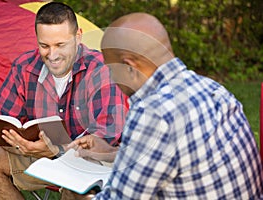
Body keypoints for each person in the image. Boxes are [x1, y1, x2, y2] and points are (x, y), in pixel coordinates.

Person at [69, 13, 263, 199]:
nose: (111, 77)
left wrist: (80, 193)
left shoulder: (153, 113)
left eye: (111, 69)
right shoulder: (213, 89)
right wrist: (111, 153)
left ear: (129, 66)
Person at [0, 2, 127, 199]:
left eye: (60, 45)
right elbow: (3, 119)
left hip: (89, 161)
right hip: (37, 156)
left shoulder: (101, 70)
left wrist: (60, 150)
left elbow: (106, 136)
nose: (52, 55)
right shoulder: (25, 66)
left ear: (78, 36)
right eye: (44, 46)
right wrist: (20, 142)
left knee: (80, 186)